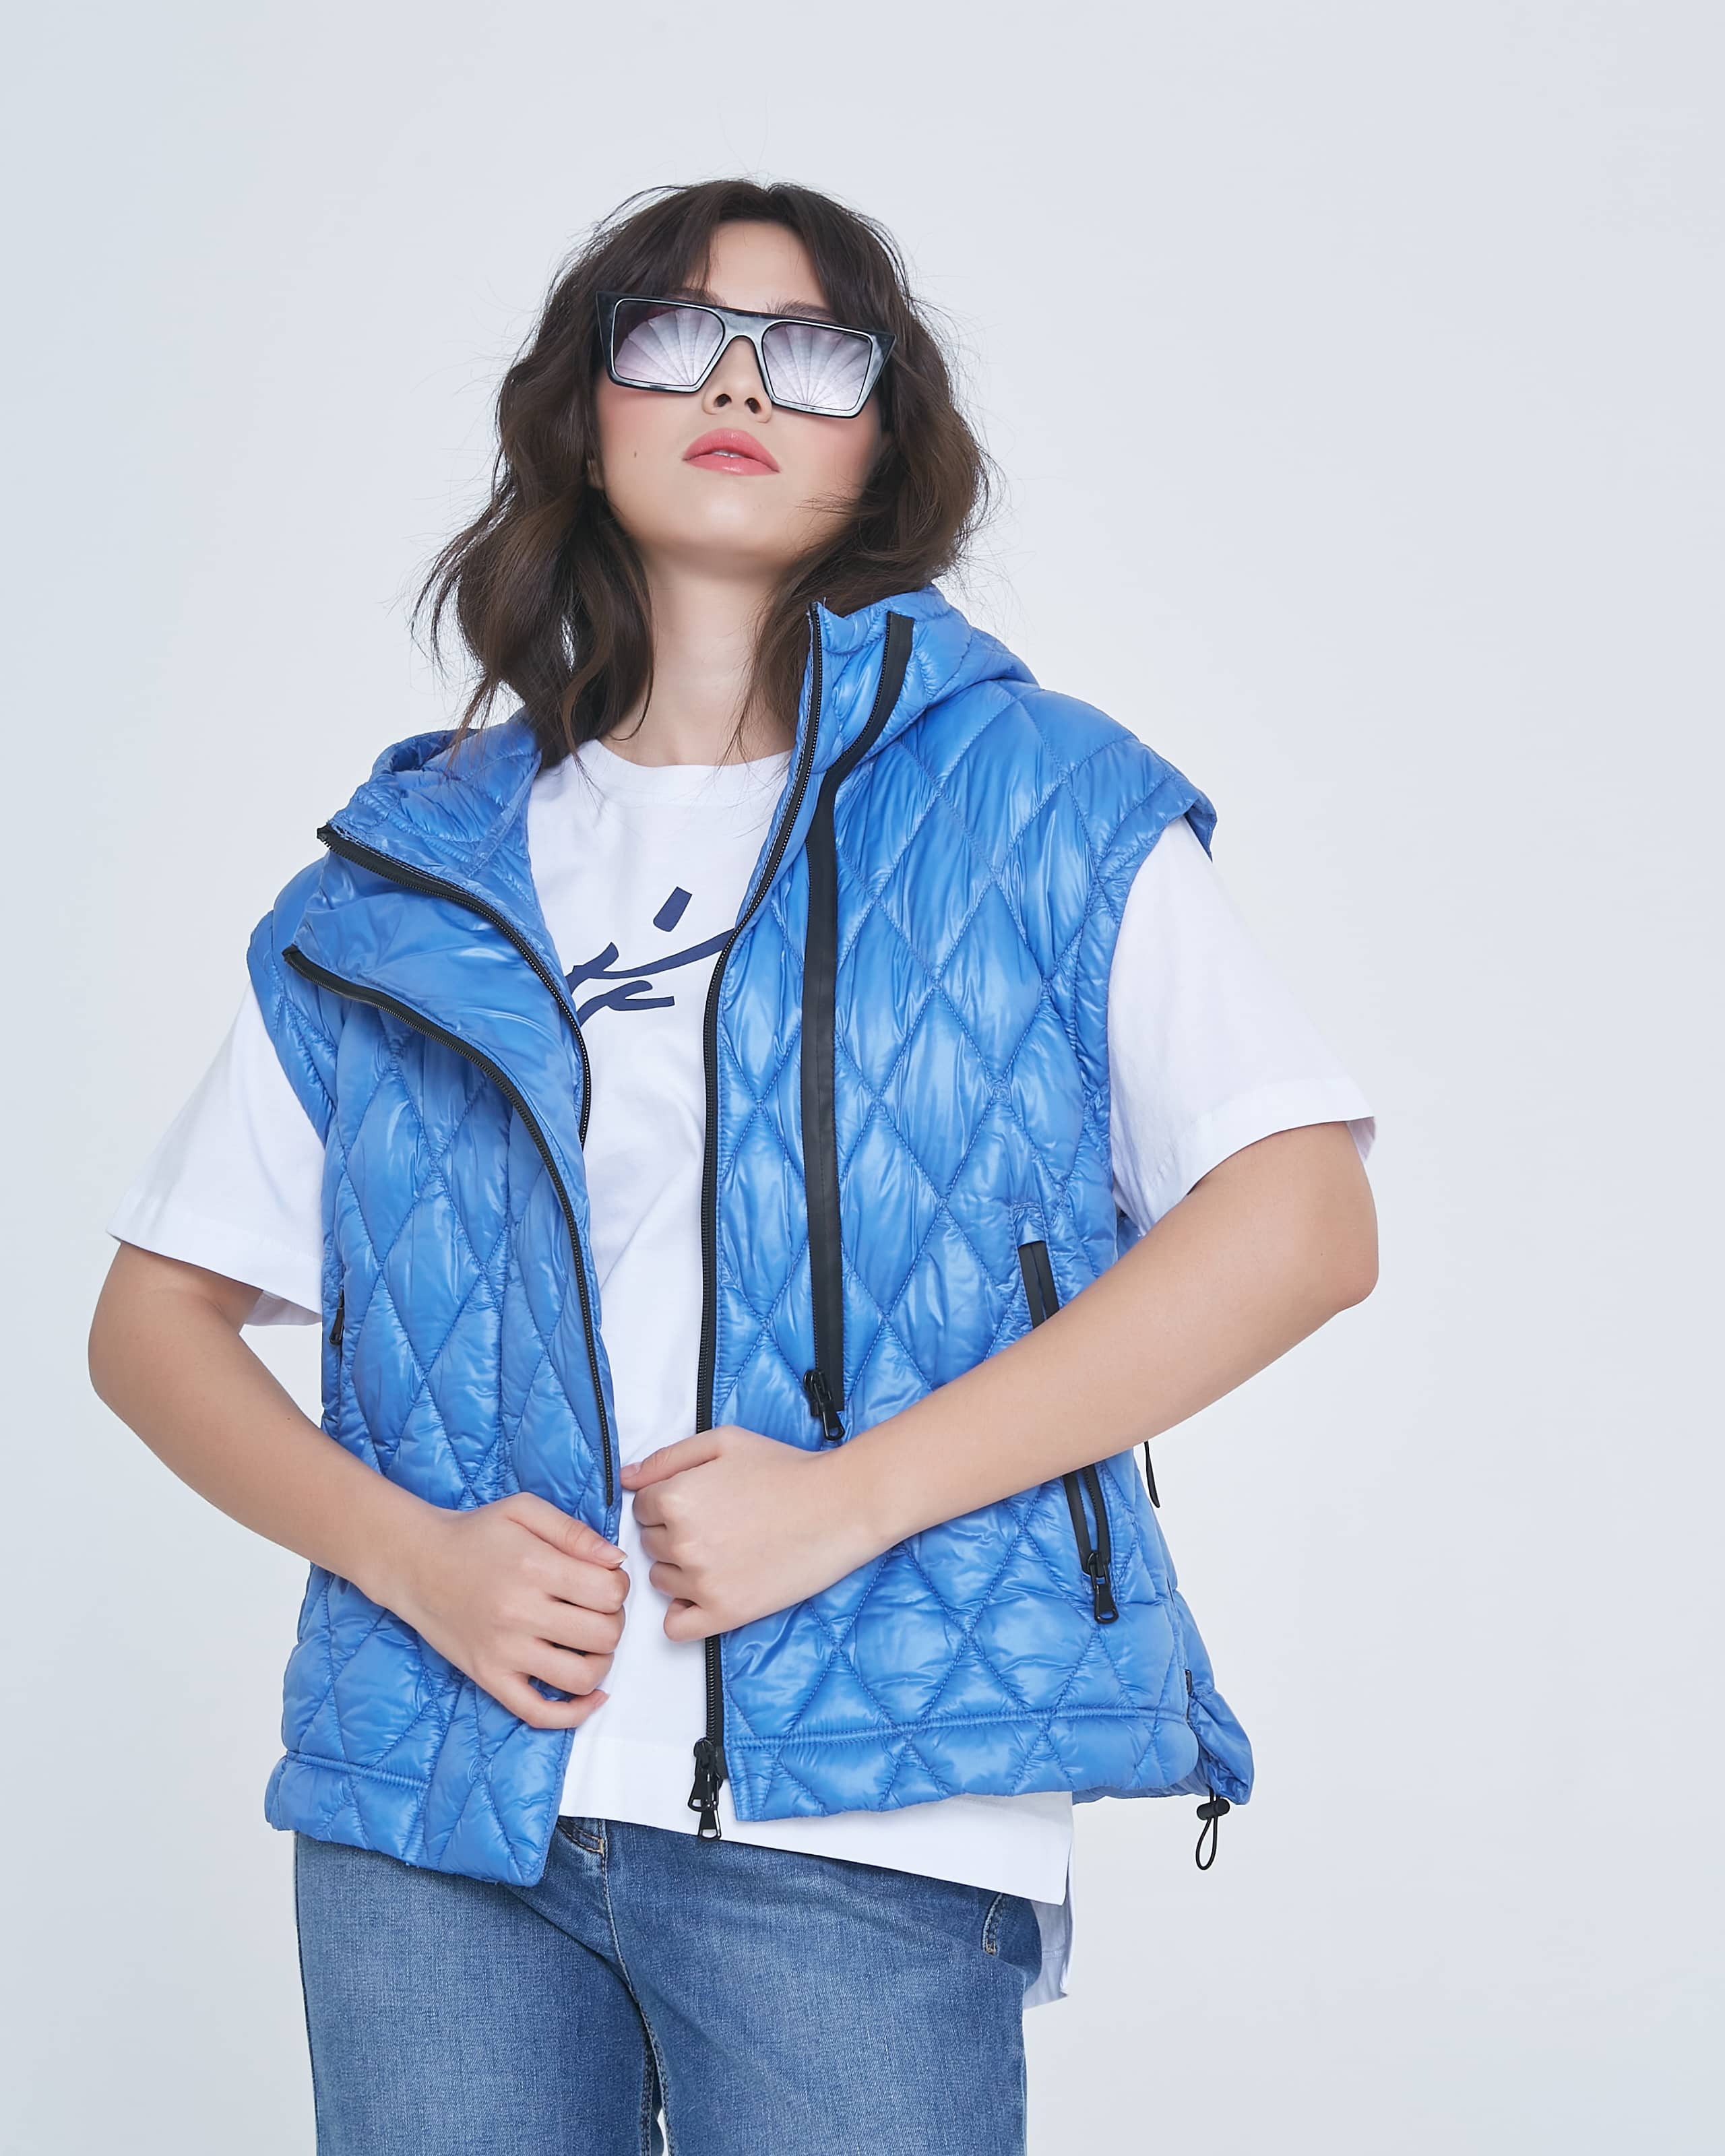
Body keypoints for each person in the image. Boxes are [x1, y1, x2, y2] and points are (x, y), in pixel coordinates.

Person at [88, 177, 1378, 2155]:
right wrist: (414, 1561)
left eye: (812, 350)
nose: (744, 384)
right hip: (441, 1815)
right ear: (586, 405)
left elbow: (1303, 1221)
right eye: (678, 333)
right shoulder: (413, 870)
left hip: (868, 1810)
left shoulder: (1041, 800)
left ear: (885, 440)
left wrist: (849, 1502)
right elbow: (150, 1324)